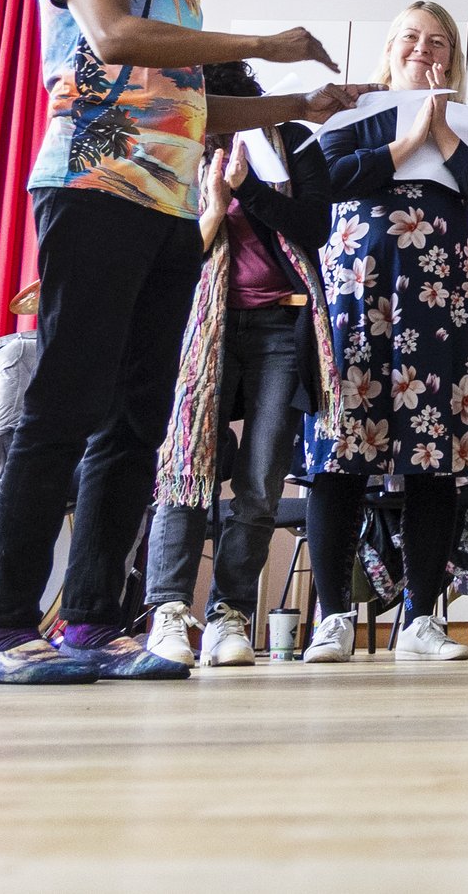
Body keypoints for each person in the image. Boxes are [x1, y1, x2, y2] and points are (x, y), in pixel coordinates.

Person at [0, 0, 368, 687]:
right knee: (66, 406)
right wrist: (266, 40)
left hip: (166, 208)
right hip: (91, 187)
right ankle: (2, 632)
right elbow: (111, 39)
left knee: (138, 421)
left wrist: (298, 107)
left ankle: (91, 626)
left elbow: (193, 105)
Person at [299, 1, 468, 664]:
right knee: (340, 458)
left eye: (439, 42)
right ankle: (333, 616)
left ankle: (422, 618)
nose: (425, 50)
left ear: (452, 57)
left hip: (439, 302)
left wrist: (441, 134)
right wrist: (404, 144)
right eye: (412, 39)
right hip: (358, 298)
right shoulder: (348, 112)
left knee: (433, 458)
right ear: (389, 49)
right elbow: (325, 181)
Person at [145, 61, 337, 668]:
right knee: (187, 465)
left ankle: (229, 613)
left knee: (260, 477)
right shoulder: (175, 147)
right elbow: (171, 254)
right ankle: (170, 611)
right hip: (206, 326)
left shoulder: (291, 143)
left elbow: (316, 228)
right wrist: (217, 201)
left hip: (283, 323)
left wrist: (251, 188)